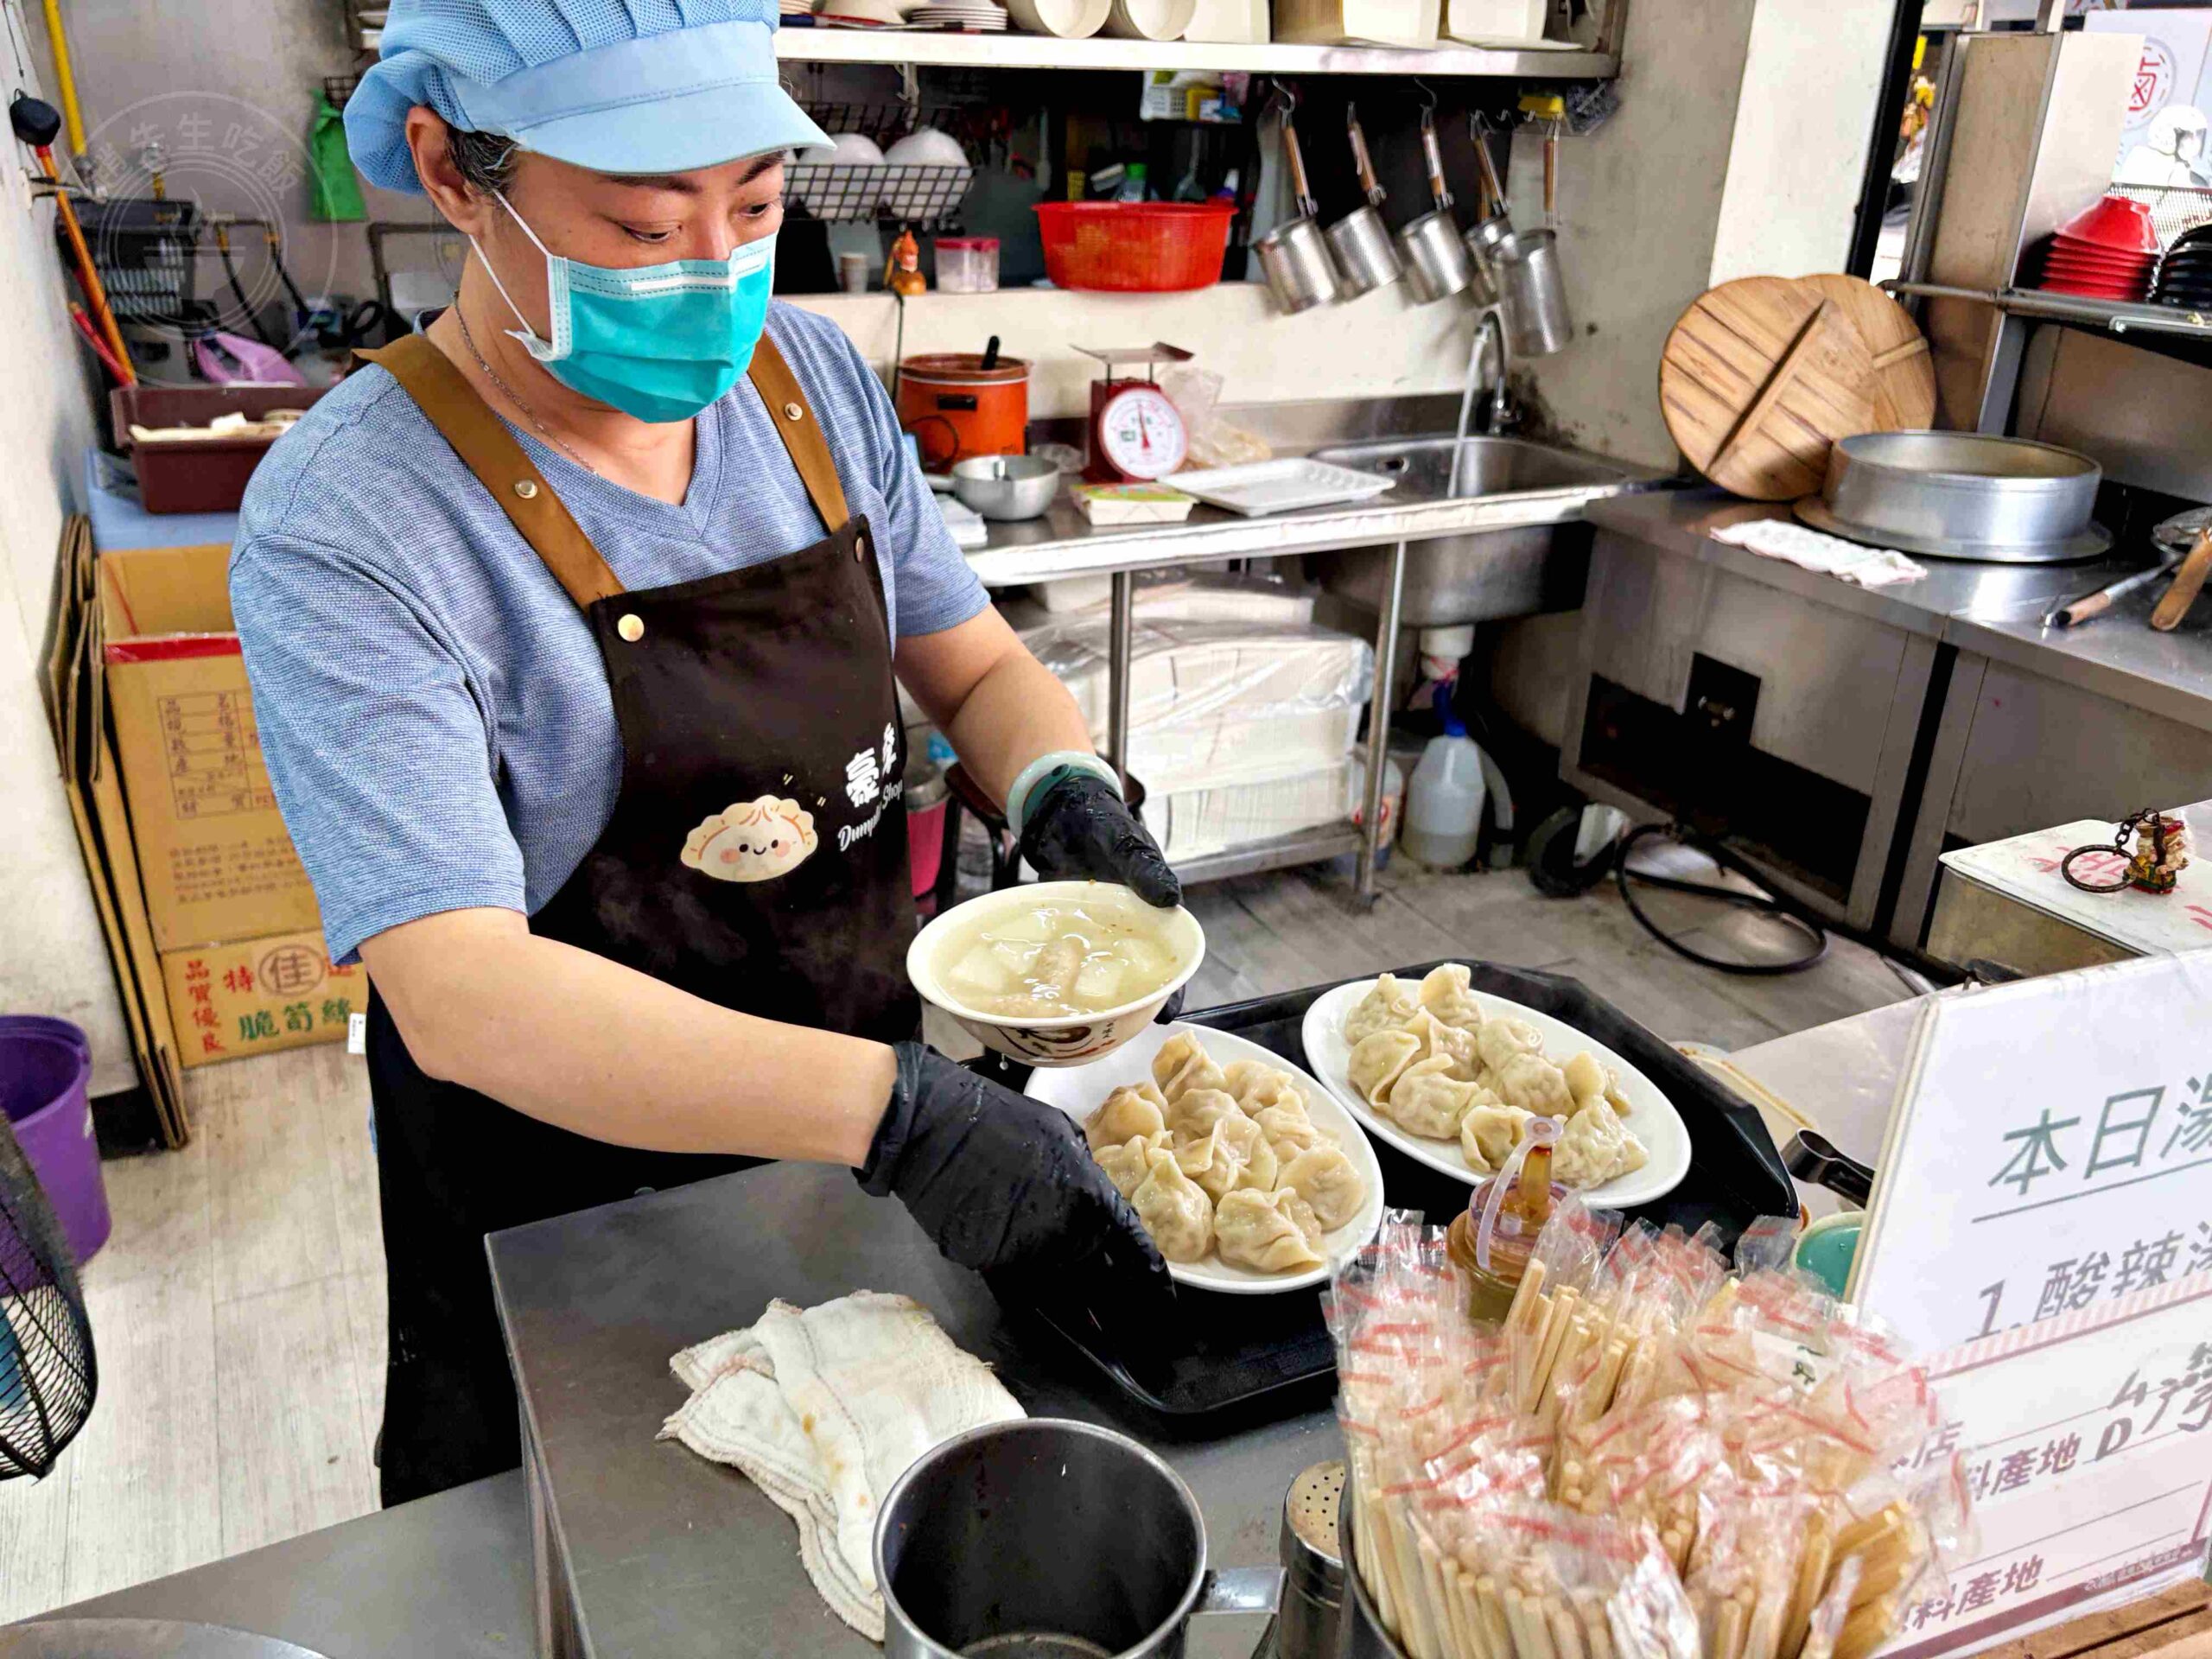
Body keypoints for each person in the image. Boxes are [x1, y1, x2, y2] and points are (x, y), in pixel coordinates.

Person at [231, 0, 1180, 1506]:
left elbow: (977, 660)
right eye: (637, 221)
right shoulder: (352, 521)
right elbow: (463, 992)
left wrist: (1063, 784)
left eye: (751, 205)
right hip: (564, 1218)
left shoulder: (809, 380)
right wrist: (898, 1113)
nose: (713, 270)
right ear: (454, 170)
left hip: (845, 1159)